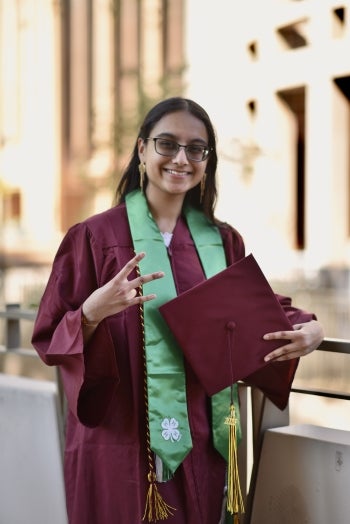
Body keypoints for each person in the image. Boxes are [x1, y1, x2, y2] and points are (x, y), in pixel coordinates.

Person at [31, 97, 324, 524]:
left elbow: (256, 306)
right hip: (121, 439)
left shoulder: (222, 241)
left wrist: (310, 328)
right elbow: (49, 333)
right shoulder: (94, 237)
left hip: (201, 439)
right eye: (166, 144)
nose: (181, 159)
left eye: (196, 148)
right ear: (142, 149)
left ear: (208, 160)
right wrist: (91, 312)